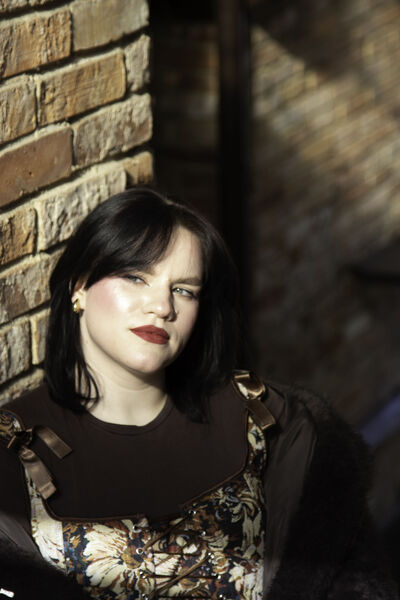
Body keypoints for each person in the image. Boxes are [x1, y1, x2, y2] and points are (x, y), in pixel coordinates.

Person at [0, 187, 397, 600]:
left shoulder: (268, 422)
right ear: (79, 286)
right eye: (136, 277)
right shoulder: (12, 452)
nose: (162, 307)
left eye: (184, 290)